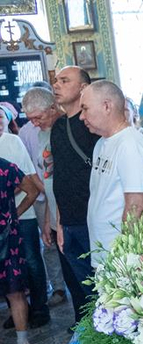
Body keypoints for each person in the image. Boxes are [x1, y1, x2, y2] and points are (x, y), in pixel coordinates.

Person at [81, 80, 143, 268]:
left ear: (106, 106)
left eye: (85, 109)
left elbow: (136, 206)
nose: (81, 116)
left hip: (123, 258)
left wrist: (127, 256)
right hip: (105, 253)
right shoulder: (102, 143)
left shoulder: (130, 145)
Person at [50, 66, 99, 325]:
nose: (56, 85)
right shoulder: (58, 126)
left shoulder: (92, 124)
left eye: (64, 81)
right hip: (67, 220)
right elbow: (61, 175)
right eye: (56, 81)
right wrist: (59, 222)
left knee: (99, 288)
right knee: (80, 289)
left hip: (91, 220)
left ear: (82, 88)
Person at [0, 101, 49, 329]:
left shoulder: (13, 141)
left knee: (30, 261)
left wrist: (11, 211)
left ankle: (39, 308)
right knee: (8, 272)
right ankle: (19, 312)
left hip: (21, 213)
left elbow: (24, 180)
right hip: (5, 218)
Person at [22, 87, 67, 309]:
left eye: (37, 118)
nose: (35, 124)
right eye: (30, 119)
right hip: (51, 205)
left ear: (52, 108)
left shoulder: (65, 128)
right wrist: (49, 217)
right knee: (56, 253)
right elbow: (47, 177)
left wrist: (58, 216)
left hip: (69, 209)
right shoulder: (41, 133)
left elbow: (64, 181)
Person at [0, 156, 40, 344]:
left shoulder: (6, 167)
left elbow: (32, 190)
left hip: (8, 240)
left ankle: (22, 340)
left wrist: (14, 214)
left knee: (16, 291)